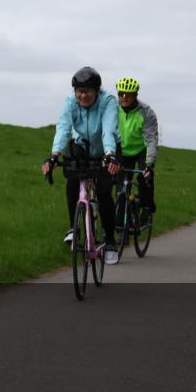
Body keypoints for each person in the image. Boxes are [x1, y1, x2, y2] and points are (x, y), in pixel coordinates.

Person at [40, 67, 122, 265]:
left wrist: (110, 155)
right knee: (72, 180)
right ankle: (73, 228)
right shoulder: (70, 103)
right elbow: (63, 128)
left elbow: (108, 130)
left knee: (103, 192)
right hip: (82, 147)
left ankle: (110, 241)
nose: (83, 96)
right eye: (79, 91)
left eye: (88, 91)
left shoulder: (108, 102)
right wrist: (53, 156)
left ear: (97, 91)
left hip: (106, 149)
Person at [113, 77, 159, 219]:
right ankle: (121, 225)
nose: (124, 97)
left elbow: (151, 139)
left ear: (135, 95)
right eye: (121, 94)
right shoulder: (113, 110)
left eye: (129, 94)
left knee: (143, 177)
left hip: (141, 150)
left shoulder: (146, 112)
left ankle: (146, 207)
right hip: (122, 150)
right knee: (120, 188)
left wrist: (149, 164)